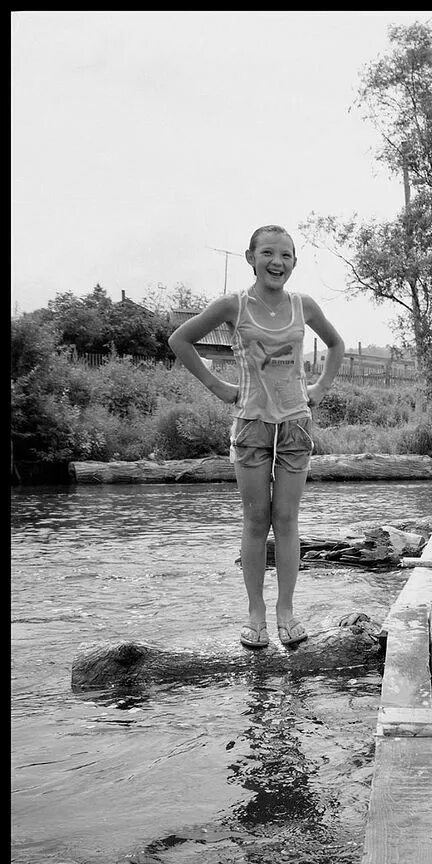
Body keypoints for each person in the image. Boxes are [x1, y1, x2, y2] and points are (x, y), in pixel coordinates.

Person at [168, 224, 343, 651]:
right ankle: (255, 613)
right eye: (267, 253)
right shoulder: (233, 305)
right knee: (255, 520)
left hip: (296, 426)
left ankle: (286, 609)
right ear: (251, 257)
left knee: (286, 521)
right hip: (251, 425)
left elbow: (335, 346)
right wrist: (217, 387)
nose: (276, 262)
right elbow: (180, 339)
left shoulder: (304, 306)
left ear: (294, 263)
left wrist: (318, 390)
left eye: (285, 255)